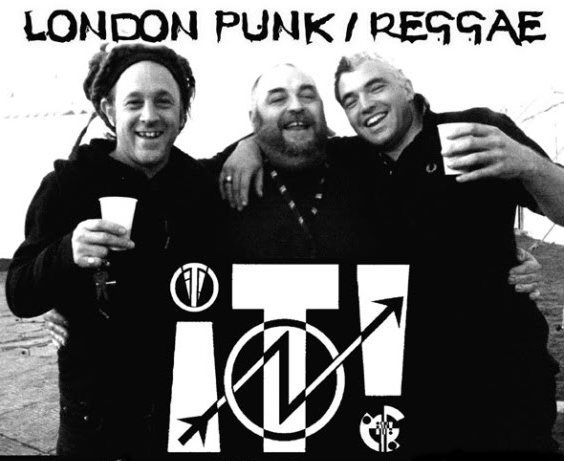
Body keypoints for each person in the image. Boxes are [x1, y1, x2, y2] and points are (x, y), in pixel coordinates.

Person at [218, 56, 564, 458]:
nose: (365, 104)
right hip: (406, 392)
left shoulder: (474, 129)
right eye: (350, 100)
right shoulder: (352, 159)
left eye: (376, 87)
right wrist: (247, 146)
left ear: (407, 87)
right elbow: (291, 135)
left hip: (504, 378)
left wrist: (529, 164)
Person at [5, 43, 223, 458]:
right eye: (133, 102)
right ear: (109, 110)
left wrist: (250, 147)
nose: (149, 115)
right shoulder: (68, 185)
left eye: (164, 101)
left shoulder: (199, 186)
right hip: (94, 425)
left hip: (183, 416)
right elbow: (19, 292)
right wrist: (65, 254)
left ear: (182, 113)